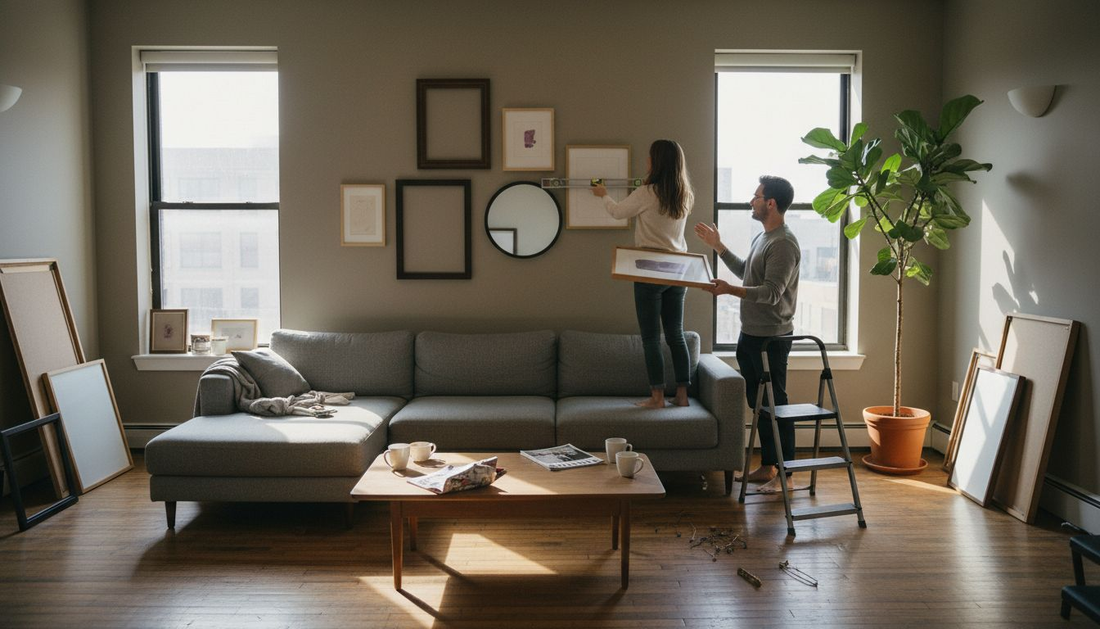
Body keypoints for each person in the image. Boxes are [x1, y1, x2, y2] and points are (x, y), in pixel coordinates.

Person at [695, 175, 800, 493]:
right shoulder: (764, 238)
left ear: (770, 203)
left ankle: (784, 471)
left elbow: (770, 293)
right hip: (751, 334)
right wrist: (718, 247)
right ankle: (768, 466)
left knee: (775, 403)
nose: (750, 201)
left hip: (771, 337)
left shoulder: (783, 243)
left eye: (755, 197)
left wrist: (729, 291)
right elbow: (746, 273)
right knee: (760, 404)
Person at [592, 139, 695, 409]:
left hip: (649, 269)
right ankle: (682, 396)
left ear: (656, 162)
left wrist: (603, 193)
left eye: (650, 158)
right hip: (677, 271)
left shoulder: (648, 192)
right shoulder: (684, 195)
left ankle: (657, 397)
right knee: (676, 334)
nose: (646, 162)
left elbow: (617, 212)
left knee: (651, 337)